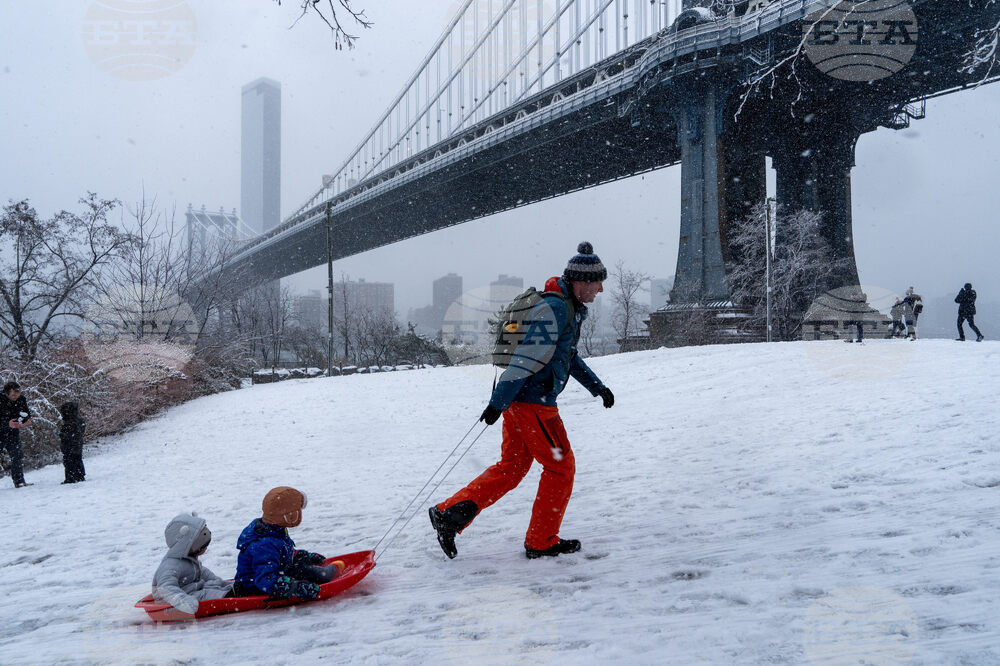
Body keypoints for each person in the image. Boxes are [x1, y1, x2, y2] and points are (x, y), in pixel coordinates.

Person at [429, 242, 615, 560]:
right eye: (597, 282)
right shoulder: (556, 309)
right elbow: (525, 358)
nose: (600, 289)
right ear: (581, 281)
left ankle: (449, 515)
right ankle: (541, 541)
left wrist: (598, 387)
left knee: (512, 467)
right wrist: (497, 403)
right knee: (561, 468)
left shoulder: (566, 308)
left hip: (523, 402)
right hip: (534, 405)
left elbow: (567, 356)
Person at [231, 486, 343, 599]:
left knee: (299, 567)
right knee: (300, 571)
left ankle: (321, 574)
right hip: (254, 588)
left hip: (274, 573)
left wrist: (301, 556)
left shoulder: (274, 530)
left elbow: (281, 553)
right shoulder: (265, 544)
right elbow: (265, 579)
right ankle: (323, 575)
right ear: (287, 515)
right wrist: (296, 587)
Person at [152, 513, 233, 614]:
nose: (205, 547)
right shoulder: (170, 566)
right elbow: (165, 588)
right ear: (185, 545)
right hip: (178, 599)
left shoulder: (188, 558)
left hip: (193, 590)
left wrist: (218, 581)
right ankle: (231, 596)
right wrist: (185, 603)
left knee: (217, 586)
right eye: (201, 544)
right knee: (208, 594)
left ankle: (236, 589)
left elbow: (201, 572)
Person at [0, 381, 33, 488]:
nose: (16, 397)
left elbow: (26, 413)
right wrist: (7, 423)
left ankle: (19, 481)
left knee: (17, 456)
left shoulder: (21, 399)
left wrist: (26, 421)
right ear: (6, 393)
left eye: (17, 394)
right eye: (13, 395)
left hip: (13, 433)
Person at [59, 402, 86, 484]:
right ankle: (79, 475)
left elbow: (67, 436)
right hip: (77, 445)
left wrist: (61, 434)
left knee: (69, 461)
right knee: (77, 459)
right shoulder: (79, 422)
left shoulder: (69, 424)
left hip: (69, 446)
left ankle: (71, 477)